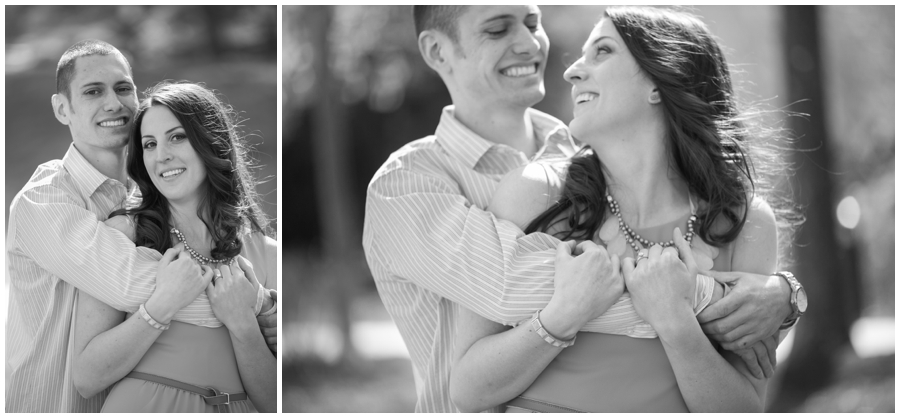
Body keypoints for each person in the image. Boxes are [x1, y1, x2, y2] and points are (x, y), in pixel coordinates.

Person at [363, 5, 804, 413]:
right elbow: (501, 298)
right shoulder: (422, 186)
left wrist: (691, 317)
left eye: (534, 24)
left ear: (660, 80)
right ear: (437, 51)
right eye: (498, 28)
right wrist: (742, 298)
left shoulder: (744, 223)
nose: (565, 66)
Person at [5, 40, 276, 413]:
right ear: (61, 108)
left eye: (123, 88)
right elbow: (128, 279)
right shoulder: (46, 200)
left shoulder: (147, 200)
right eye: (92, 91)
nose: (114, 103)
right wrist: (260, 306)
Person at [70, 81, 277, 412]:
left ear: (211, 142)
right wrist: (160, 307)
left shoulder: (266, 254)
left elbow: (274, 403)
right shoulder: (122, 235)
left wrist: (242, 325)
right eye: (149, 144)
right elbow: (86, 377)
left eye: (177, 137)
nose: (162, 156)